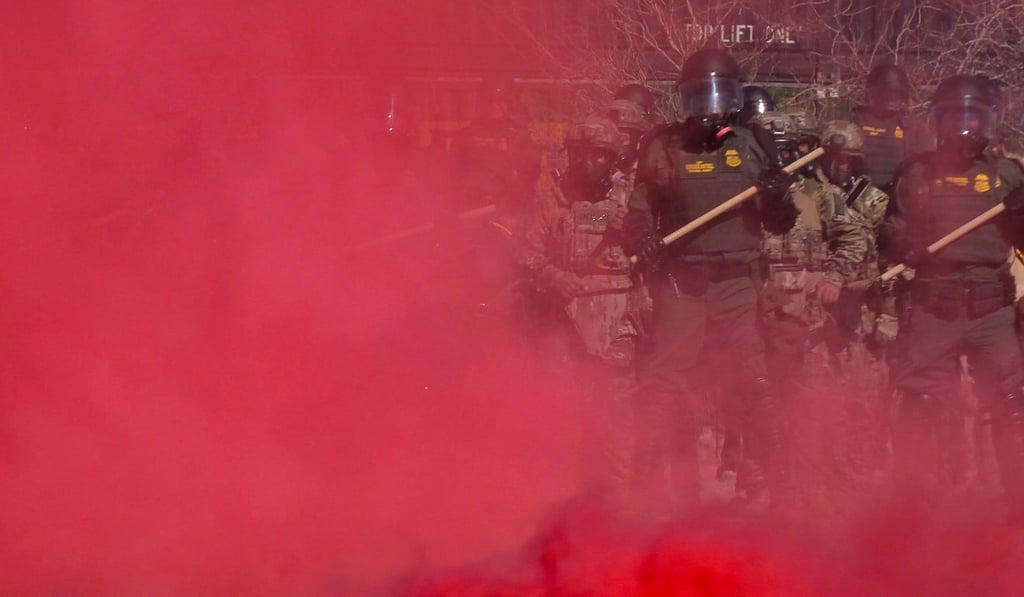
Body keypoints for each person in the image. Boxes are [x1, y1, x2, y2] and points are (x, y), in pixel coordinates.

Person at [623, 46, 798, 515]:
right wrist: (644, 240)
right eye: (699, 100)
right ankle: (654, 495)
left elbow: (780, 224)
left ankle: (774, 490)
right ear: (684, 101)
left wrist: (780, 199)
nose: (709, 111)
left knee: (756, 385)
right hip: (684, 283)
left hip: (737, 282)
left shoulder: (751, 144)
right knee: (663, 390)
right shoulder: (663, 146)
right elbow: (639, 211)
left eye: (718, 99)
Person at [880, 74, 1024, 520]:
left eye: (972, 118)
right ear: (937, 121)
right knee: (920, 405)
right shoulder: (917, 173)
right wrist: (907, 248)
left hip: (990, 309)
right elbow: (888, 230)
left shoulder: (1009, 174)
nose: (964, 128)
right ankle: (917, 505)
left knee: (1013, 405)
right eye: (953, 117)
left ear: (989, 121)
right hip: (933, 305)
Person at [520, 115, 641, 508]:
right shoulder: (548, 198)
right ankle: (559, 509)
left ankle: (615, 513)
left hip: (615, 332)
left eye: (600, 157)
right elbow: (528, 256)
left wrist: (636, 230)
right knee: (561, 426)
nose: (591, 164)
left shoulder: (629, 199)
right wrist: (555, 277)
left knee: (616, 431)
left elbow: (652, 258)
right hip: (563, 331)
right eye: (583, 155)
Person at [849, 63, 929, 194]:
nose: (891, 99)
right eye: (886, 94)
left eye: (895, 94)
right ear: (873, 93)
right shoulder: (856, 119)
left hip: (899, 197)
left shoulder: (912, 125)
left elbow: (926, 162)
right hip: (861, 196)